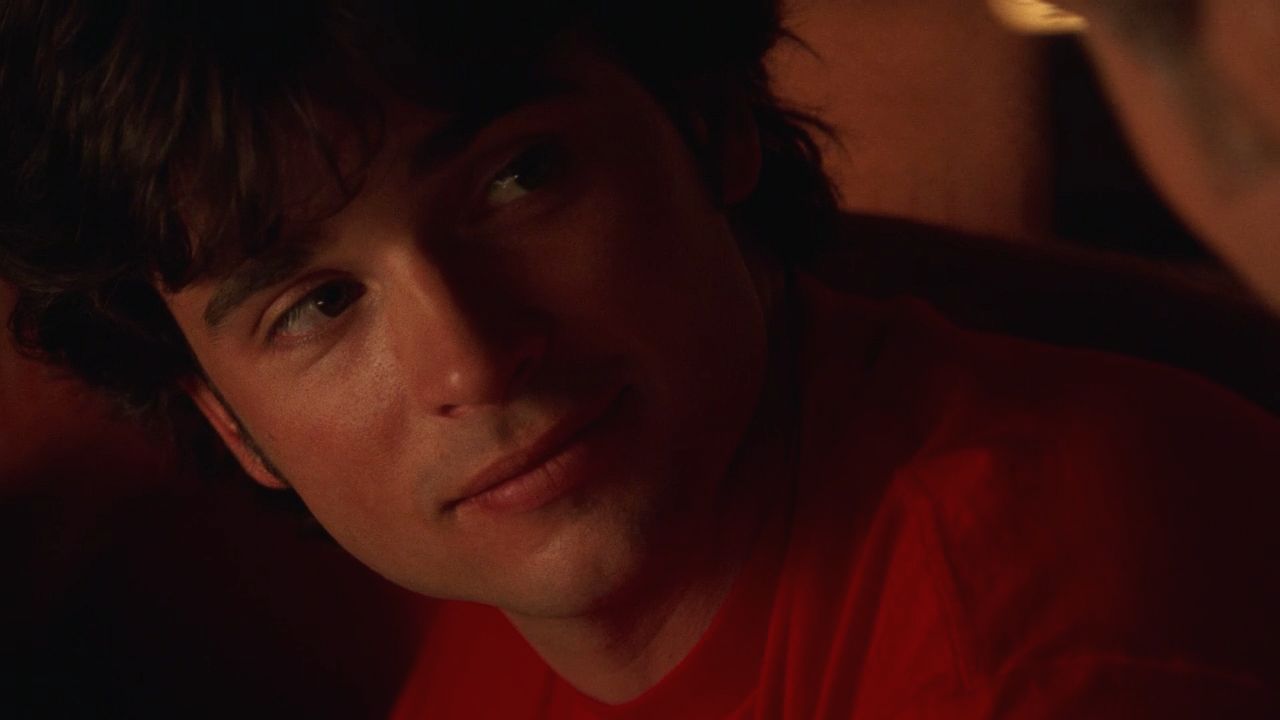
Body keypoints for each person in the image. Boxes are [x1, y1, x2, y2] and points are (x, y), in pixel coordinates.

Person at [1, 1, 1277, 717]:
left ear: (707, 127)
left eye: (519, 178)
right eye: (317, 305)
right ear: (231, 425)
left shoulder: (1040, 638)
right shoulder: (479, 669)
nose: (471, 364)